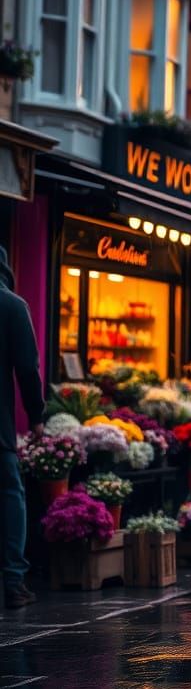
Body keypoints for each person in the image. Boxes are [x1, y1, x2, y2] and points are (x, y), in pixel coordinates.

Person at [0, 246, 45, 610]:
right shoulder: (12, 306)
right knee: (11, 495)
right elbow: (28, 370)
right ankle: (13, 581)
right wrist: (37, 416)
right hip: (0, 432)